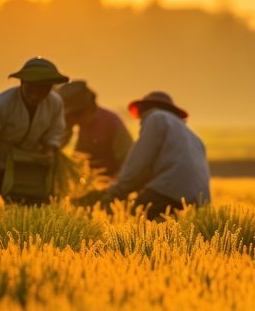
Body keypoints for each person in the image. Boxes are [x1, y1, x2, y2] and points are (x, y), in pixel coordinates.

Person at [0, 57, 69, 219]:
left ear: (50, 88)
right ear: (22, 84)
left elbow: (57, 129)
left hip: (19, 166)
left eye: (43, 89)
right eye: (32, 88)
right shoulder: (1, 105)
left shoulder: (55, 103)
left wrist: (50, 146)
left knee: (26, 214)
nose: (36, 95)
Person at [78, 92, 210, 220]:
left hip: (167, 193)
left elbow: (138, 164)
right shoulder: (194, 136)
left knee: (131, 221)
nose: (140, 122)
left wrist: (115, 191)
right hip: (200, 203)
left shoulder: (156, 118)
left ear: (144, 111)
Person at [58, 80, 133, 178]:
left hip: (111, 182)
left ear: (90, 107)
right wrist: (67, 128)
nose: (76, 118)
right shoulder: (71, 125)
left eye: (78, 113)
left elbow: (128, 159)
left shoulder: (111, 122)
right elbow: (56, 148)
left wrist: (115, 184)